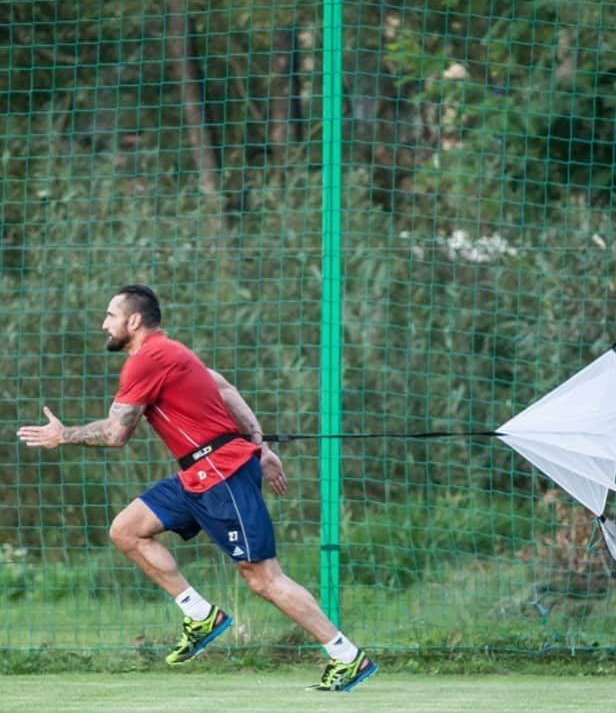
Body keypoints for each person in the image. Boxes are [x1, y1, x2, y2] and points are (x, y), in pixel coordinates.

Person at [17, 284, 377, 692]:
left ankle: (347, 656)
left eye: (110, 316)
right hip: (198, 475)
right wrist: (261, 447)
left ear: (133, 321)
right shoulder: (172, 352)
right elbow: (225, 389)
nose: (104, 324)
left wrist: (63, 435)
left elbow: (117, 434)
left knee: (262, 578)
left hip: (221, 474)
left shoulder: (147, 359)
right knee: (126, 529)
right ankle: (200, 614)